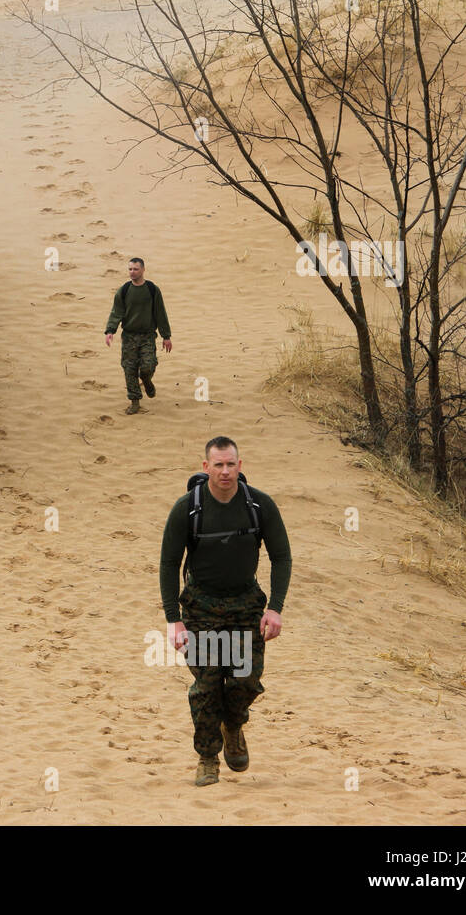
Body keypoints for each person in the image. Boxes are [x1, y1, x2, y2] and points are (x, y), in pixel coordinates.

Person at [158, 437, 291, 787]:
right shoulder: (187, 509)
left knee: (244, 681)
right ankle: (207, 758)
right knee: (207, 686)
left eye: (231, 464)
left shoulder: (259, 506)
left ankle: (233, 726)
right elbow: (169, 564)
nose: (225, 471)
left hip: (246, 607)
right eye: (218, 465)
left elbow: (282, 557)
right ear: (206, 468)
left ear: (240, 465)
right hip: (200, 609)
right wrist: (174, 620)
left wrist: (274, 609)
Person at [103, 257, 172, 415]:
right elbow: (116, 312)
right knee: (129, 369)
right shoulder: (124, 290)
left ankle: (147, 381)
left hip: (147, 336)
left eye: (135, 269)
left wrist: (166, 336)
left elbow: (160, 313)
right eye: (130, 269)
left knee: (147, 367)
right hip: (129, 336)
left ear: (143, 270)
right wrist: (110, 331)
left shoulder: (152, 289)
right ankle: (135, 402)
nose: (132, 272)